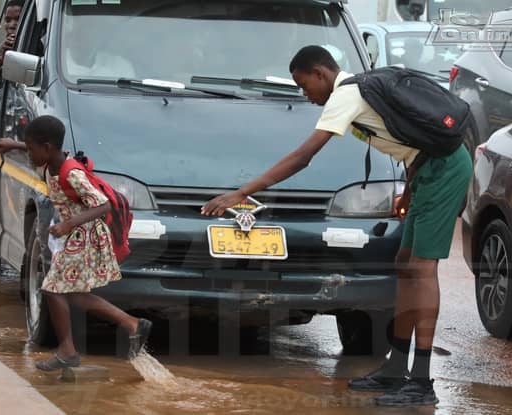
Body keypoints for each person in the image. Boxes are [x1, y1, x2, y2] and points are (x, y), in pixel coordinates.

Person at [201, 45, 473, 407]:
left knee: (422, 270)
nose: (305, 94)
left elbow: (303, 156)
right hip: (424, 171)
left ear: (320, 74)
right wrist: (409, 191)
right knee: (406, 266)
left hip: (445, 171)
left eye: (303, 85)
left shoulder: (347, 95)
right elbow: (410, 141)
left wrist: (242, 192)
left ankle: (421, 381)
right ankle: (395, 366)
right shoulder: (361, 91)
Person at [0, 116, 152, 369]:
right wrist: (14, 145)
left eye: (31, 148)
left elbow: (103, 205)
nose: (29, 154)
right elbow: (39, 146)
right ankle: (132, 324)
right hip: (75, 235)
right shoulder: (52, 160)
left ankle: (68, 351)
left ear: (46, 148)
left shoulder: (72, 172)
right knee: (76, 296)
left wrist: (68, 224)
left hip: (85, 236)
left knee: (52, 288)